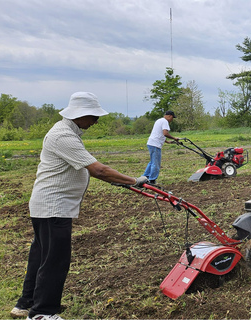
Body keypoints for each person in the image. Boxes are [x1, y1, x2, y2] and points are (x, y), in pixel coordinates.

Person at [10, 92, 148, 320]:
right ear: (80, 115)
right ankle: (42, 313)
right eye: (94, 116)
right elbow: (98, 170)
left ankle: (26, 303)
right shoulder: (63, 135)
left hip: (47, 206)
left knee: (41, 256)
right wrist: (134, 180)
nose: (96, 122)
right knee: (55, 260)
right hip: (54, 207)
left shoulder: (66, 132)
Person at [142, 110, 180, 184]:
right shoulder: (165, 121)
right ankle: (152, 180)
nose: (172, 120)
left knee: (152, 162)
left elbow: (159, 133)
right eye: (172, 118)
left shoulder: (159, 120)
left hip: (151, 143)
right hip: (155, 144)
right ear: (170, 116)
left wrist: (167, 142)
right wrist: (174, 138)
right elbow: (165, 133)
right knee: (156, 163)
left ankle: (145, 177)